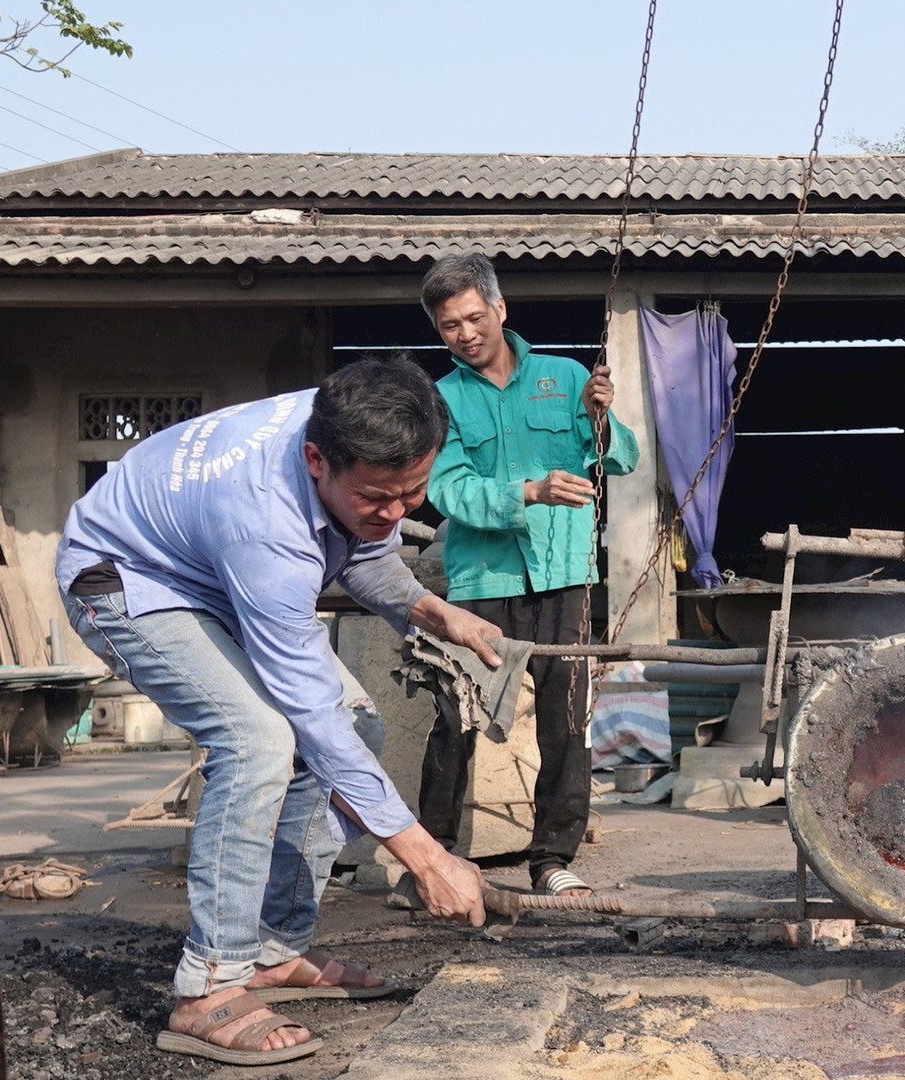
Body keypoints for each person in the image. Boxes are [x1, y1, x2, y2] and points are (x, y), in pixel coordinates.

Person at [56, 358, 500, 1066]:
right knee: (259, 740)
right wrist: (426, 859)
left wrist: (430, 610)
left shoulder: (357, 424)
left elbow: (366, 551)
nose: (396, 513)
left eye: (413, 493)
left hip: (214, 574)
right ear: (317, 460)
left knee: (358, 725)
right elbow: (309, 713)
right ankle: (209, 987)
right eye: (377, 496)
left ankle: (272, 949)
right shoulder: (264, 519)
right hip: (126, 578)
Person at [415, 254, 640, 897]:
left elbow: (620, 459)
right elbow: (449, 490)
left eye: (474, 317)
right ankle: (434, 859)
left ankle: (551, 860)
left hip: (564, 576)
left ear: (500, 308)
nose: (466, 333)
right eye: (450, 325)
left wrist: (601, 416)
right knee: (455, 719)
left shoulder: (564, 377)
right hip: (482, 583)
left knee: (565, 723)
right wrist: (531, 492)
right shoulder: (441, 400)